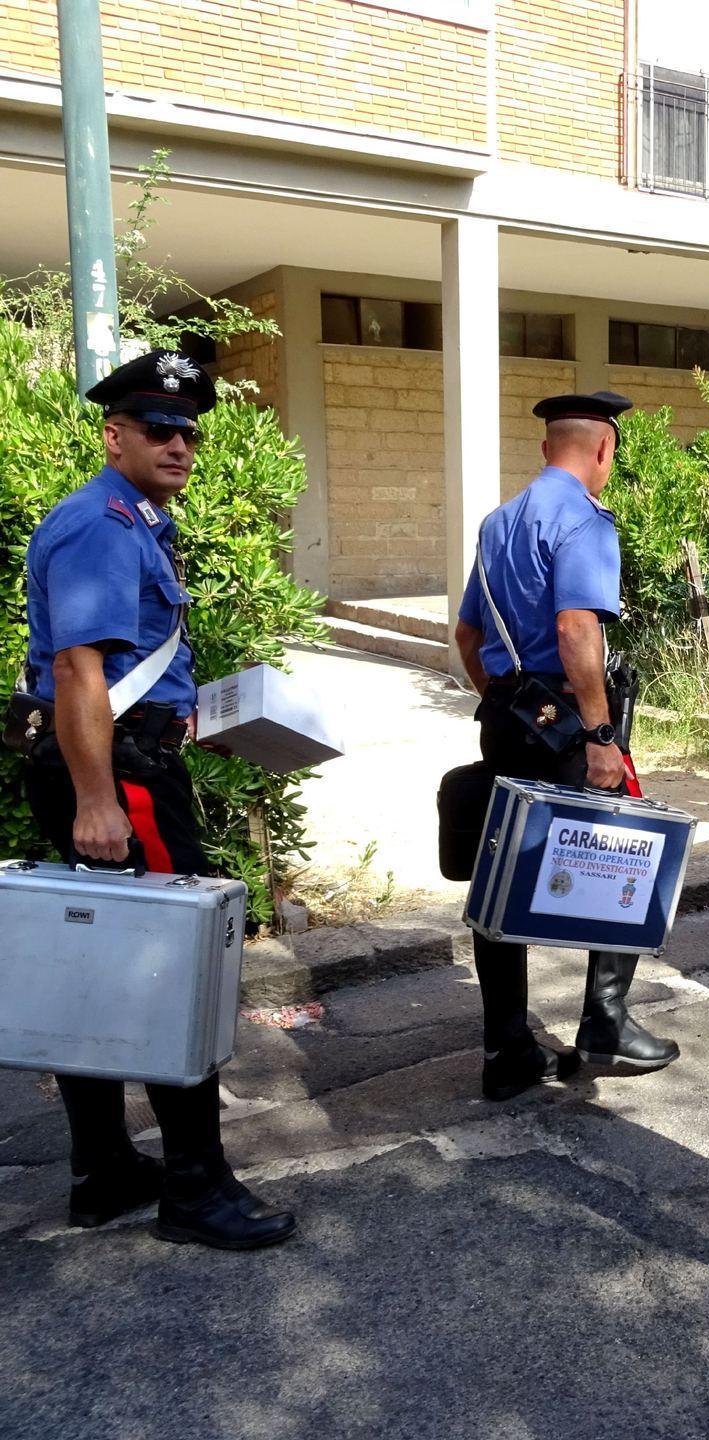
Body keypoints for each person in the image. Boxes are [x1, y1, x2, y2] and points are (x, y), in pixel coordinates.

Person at [22, 349, 296, 1250]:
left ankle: (104, 1172)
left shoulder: (134, 521)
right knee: (172, 967)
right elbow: (76, 667)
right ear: (116, 435)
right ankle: (193, 1189)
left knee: (98, 966)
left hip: (124, 763)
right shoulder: (102, 525)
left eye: (189, 431)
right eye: (158, 428)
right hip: (119, 782)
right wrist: (100, 800)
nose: (180, 443)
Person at [454, 390, 679, 1102]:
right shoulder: (582, 517)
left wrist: (500, 697)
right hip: (565, 723)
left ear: (547, 448)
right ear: (603, 449)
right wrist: (600, 734)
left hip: (506, 716)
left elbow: (466, 636)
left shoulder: (498, 523)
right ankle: (604, 1025)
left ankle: (506, 1048)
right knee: (624, 851)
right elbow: (576, 630)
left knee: (502, 872)